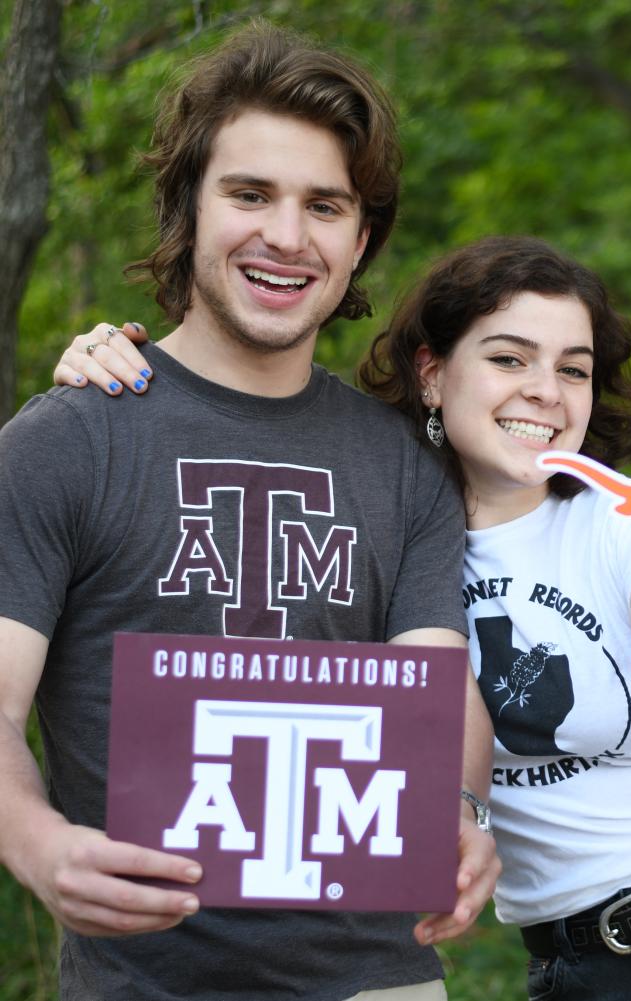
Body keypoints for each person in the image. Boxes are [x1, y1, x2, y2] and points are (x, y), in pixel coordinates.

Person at [54, 235, 631, 1001]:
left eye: (572, 369)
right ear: (432, 371)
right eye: (510, 358)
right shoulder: (370, 533)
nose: (545, 391)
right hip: (585, 965)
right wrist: (118, 368)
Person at [0, 23, 499, 1001]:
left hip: (376, 977)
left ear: (361, 240)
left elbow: (430, 697)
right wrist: (36, 840)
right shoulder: (65, 439)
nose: (286, 235)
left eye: (325, 205)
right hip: (142, 979)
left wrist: (459, 808)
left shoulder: (404, 463)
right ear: (190, 205)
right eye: (249, 193)